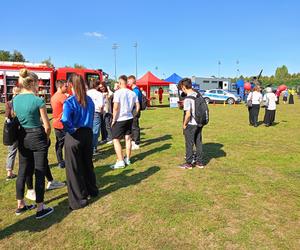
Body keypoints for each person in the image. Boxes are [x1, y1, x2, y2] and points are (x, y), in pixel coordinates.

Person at [14, 68, 53, 219]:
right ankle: (40, 208)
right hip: (37, 136)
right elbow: (47, 125)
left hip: (22, 137)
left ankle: (20, 204)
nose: (39, 85)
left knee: (22, 170)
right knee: (40, 171)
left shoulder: (15, 99)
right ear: (31, 83)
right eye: (37, 82)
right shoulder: (38, 100)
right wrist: (47, 137)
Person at [61, 74, 98, 210]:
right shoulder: (89, 100)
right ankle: (92, 190)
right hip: (88, 134)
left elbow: (65, 119)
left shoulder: (70, 101)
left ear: (71, 85)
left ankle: (78, 200)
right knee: (87, 164)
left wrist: (71, 129)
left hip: (75, 135)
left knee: (74, 169)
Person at [111, 75, 140, 169]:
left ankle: (120, 161)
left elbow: (115, 107)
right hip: (129, 117)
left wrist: (114, 119)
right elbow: (138, 106)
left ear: (119, 83)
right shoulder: (132, 93)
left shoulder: (118, 93)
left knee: (116, 139)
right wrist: (134, 114)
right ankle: (127, 158)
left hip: (120, 118)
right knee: (128, 139)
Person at [178, 78, 204, 170]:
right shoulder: (198, 95)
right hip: (200, 122)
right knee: (198, 142)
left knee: (189, 143)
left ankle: (188, 163)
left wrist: (184, 124)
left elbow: (188, 114)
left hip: (191, 123)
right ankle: (199, 162)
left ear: (183, 86)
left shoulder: (188, 98)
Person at [51, 80, 68, 168]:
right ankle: (66, 161)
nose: (67, 88)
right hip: (63, 124)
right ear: (59, 87)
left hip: (56, 123)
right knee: (67, 143)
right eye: (65, 86)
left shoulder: (53, 96)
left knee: (59, 143)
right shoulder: (63, 97)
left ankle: (60, 161)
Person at [4, 87, 21, 180]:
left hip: (12, 131)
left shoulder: (9, 103)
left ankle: (9, 172)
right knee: (23, 150)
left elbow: (6, 118)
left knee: (12, 152)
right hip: (20, 130)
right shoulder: (20, 103)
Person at [87, 79, 104, 154]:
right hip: (96, 113)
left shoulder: (86, 93)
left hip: (87, 113)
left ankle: (87, 147)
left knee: (88, 131)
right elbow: (101, 106)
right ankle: (93, 149)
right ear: (97, 85)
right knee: (95, 132)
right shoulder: (99, 94)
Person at [127, 75, 142, 150]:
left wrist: (135, 112)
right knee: (133, 126)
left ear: (133, 80)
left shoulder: (136, 90)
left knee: (135, 126)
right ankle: (133, 141)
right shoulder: (134, 90)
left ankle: (137, 143)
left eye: (129, 81)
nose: (127, 82)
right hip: (133, 110)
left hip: (135, 110)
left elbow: (135, 102)